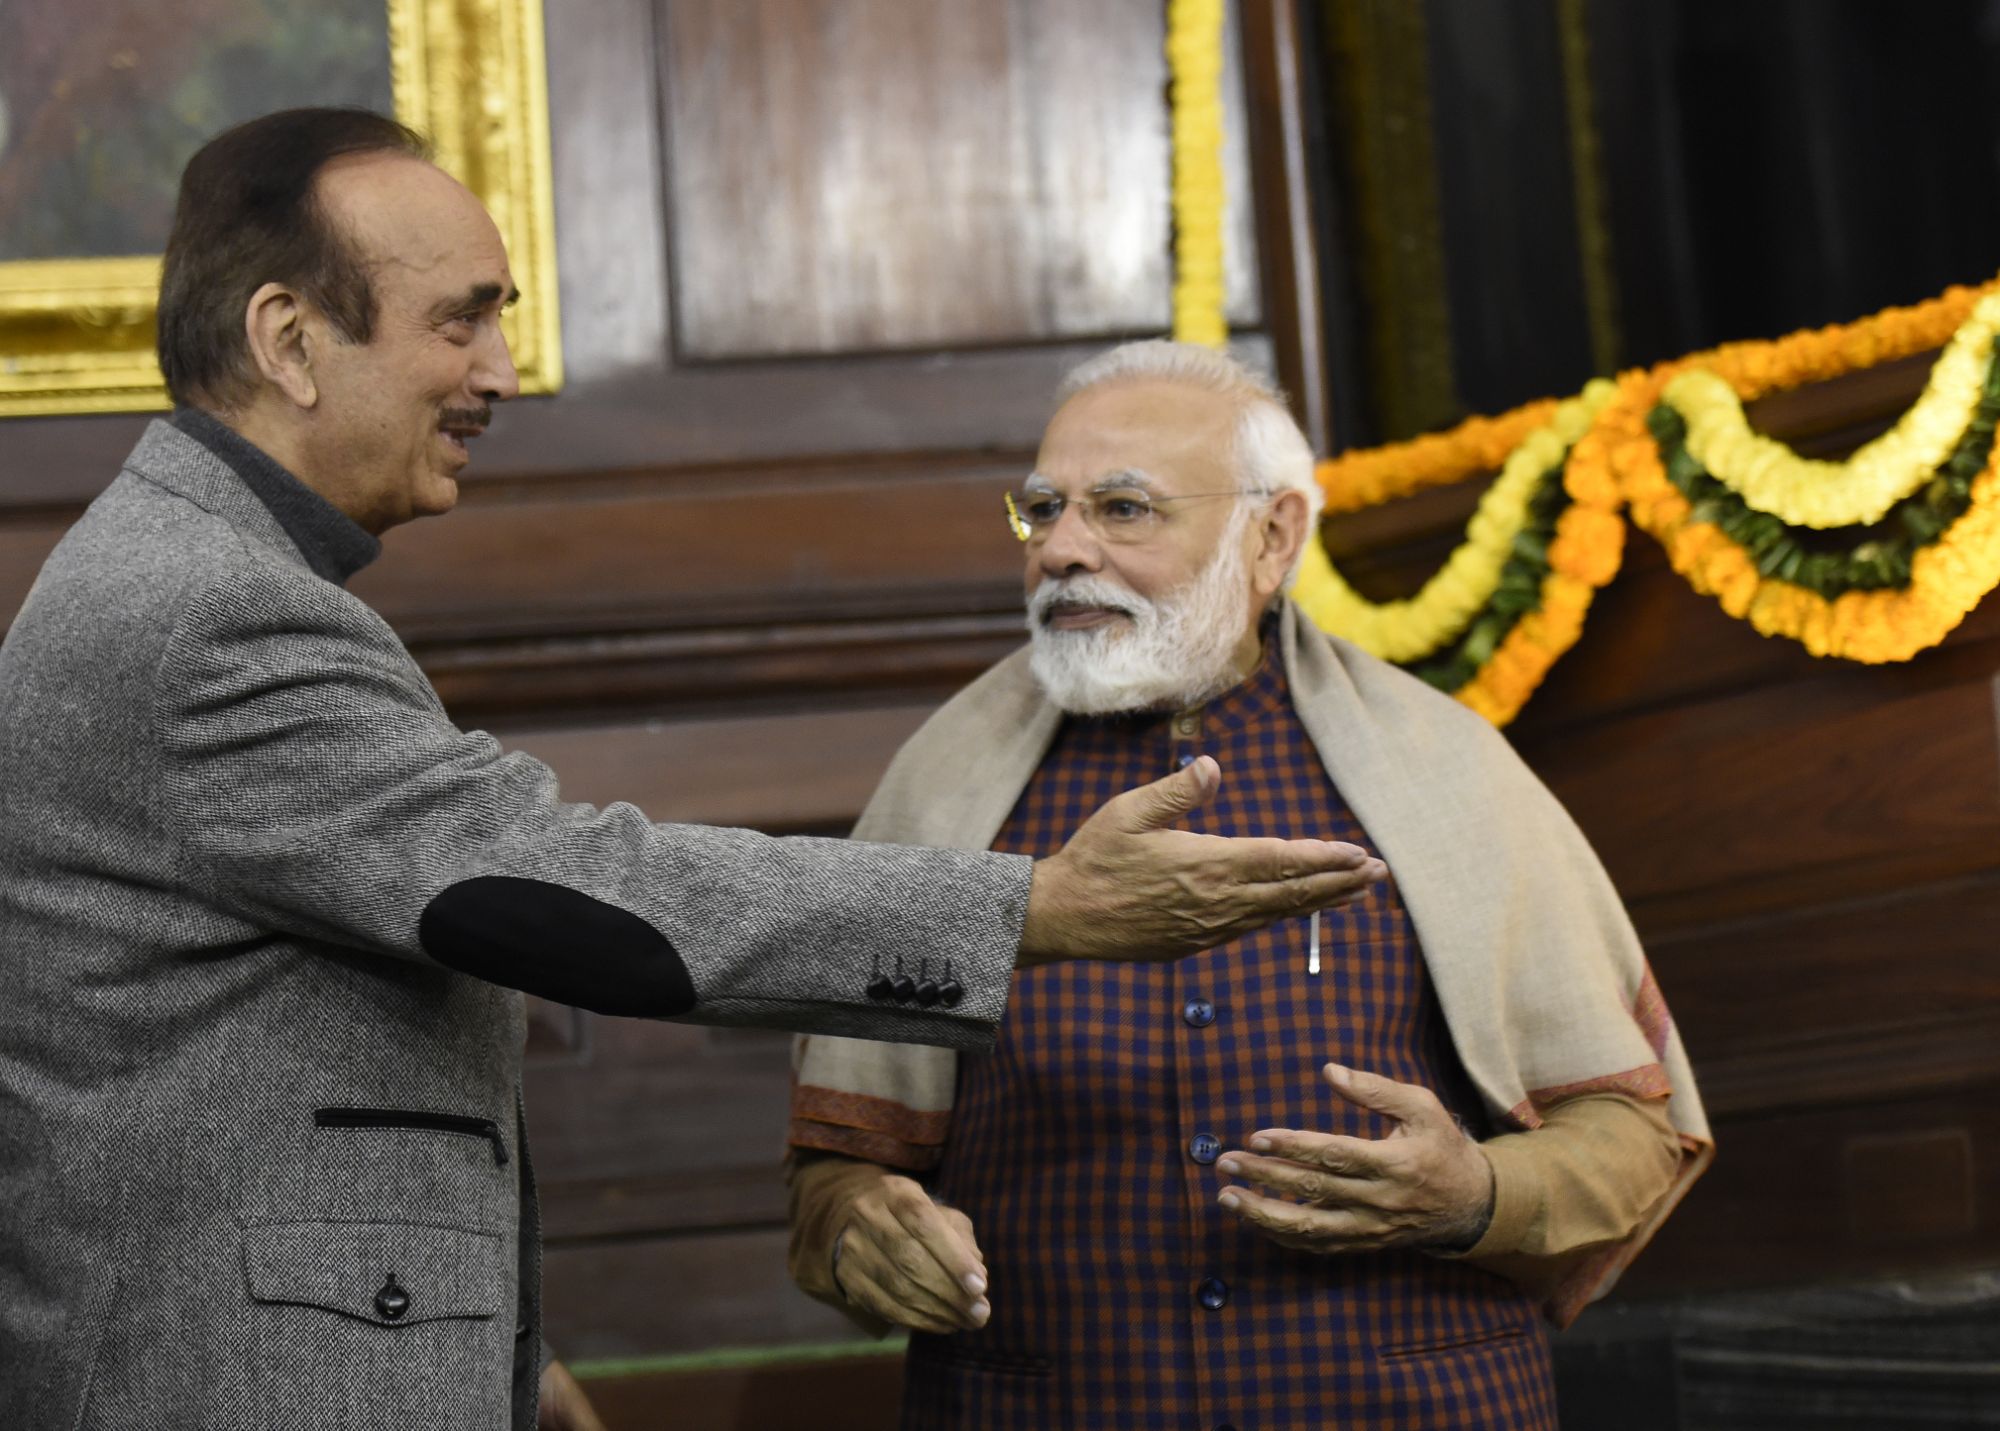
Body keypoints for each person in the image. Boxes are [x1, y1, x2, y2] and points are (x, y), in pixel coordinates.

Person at [0, 113, 1384, 1431]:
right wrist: (1042, 910)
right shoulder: (212, 616)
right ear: (289, 340)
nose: (498, 371)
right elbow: (559, 890)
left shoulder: (198, 576)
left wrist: (497, 1356)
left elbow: (282, 1073)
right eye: (460, 318)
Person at [787, 341, 1713, 1430]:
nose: (1061, 551)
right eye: (1041, 511)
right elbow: (828, 1179)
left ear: (1270, 537)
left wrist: (1472, 1197)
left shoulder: (1442, 772)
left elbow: (1632, 1137)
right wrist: (864, 1231)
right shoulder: (947, 786)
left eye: (1123, 509)